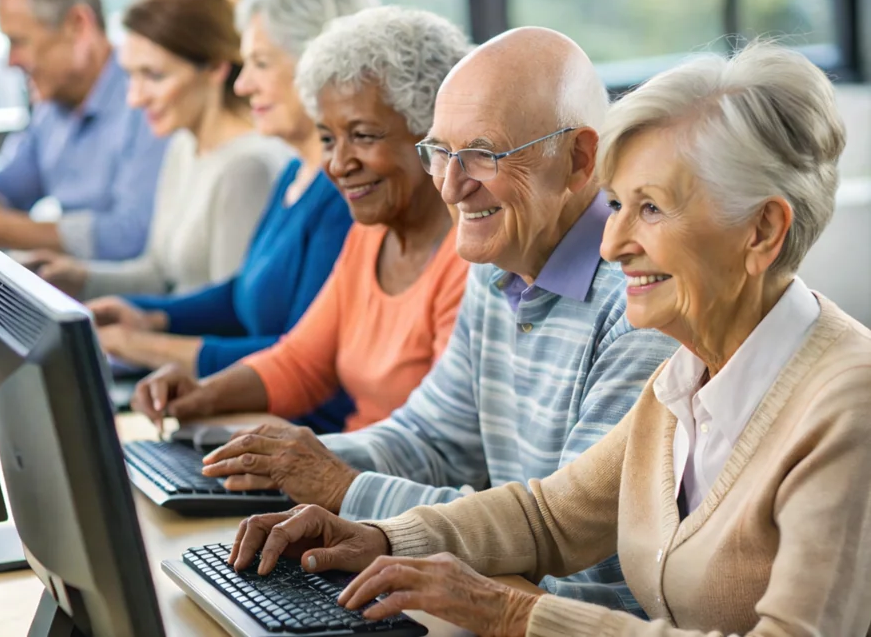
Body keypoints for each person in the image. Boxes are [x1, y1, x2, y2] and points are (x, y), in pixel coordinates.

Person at [227, 41, 871, 637]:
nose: (614, 245)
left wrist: (512, 612)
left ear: (760, 231)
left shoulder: (849, 405)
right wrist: (381, 536)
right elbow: (550, 518)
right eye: (616, 205)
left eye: (650, 208)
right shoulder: (690, 373)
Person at [137, 27, 678, 610]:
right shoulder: (496, 262)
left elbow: (582, 559)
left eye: (483, 155)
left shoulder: (640, 305)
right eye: (440, 152)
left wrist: (350, 492)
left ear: (577, 160)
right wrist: (307, 461)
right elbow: (431, 438)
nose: (450, 185)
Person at [131, 6, 471, 437]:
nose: (338, 164)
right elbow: (302, 363)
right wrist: (199, 394)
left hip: (389, 490)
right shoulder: (371, 236)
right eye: (328, 139)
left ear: (432, 134)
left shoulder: (467, 259)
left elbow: (440, 441)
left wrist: (315, 466)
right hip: (350, 472)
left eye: (363, 135)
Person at [88, 0, 380, 433]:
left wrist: (145, 344)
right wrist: (151, 316)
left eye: (260, 64)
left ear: (321, 65)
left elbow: (301, 355)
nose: (242, 86)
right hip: (269, 421)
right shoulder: (294, 172)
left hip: (304, 433)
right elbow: (244, 290)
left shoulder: (348, 194)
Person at [29, 0, 293, 300]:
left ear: (214, 68)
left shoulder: (245, 168)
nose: (135, 99)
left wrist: (144, 332)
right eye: (130, 76)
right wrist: (78, 277)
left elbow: (229, 314)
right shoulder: (183, 146)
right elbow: (158, 273)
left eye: (154, 76)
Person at [0, 0, 167, 283]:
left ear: (77, 25)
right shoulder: (52, 107)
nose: (10, 61)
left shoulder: (144, 102)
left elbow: (130, 236)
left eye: (19, 41)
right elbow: (8, 188)